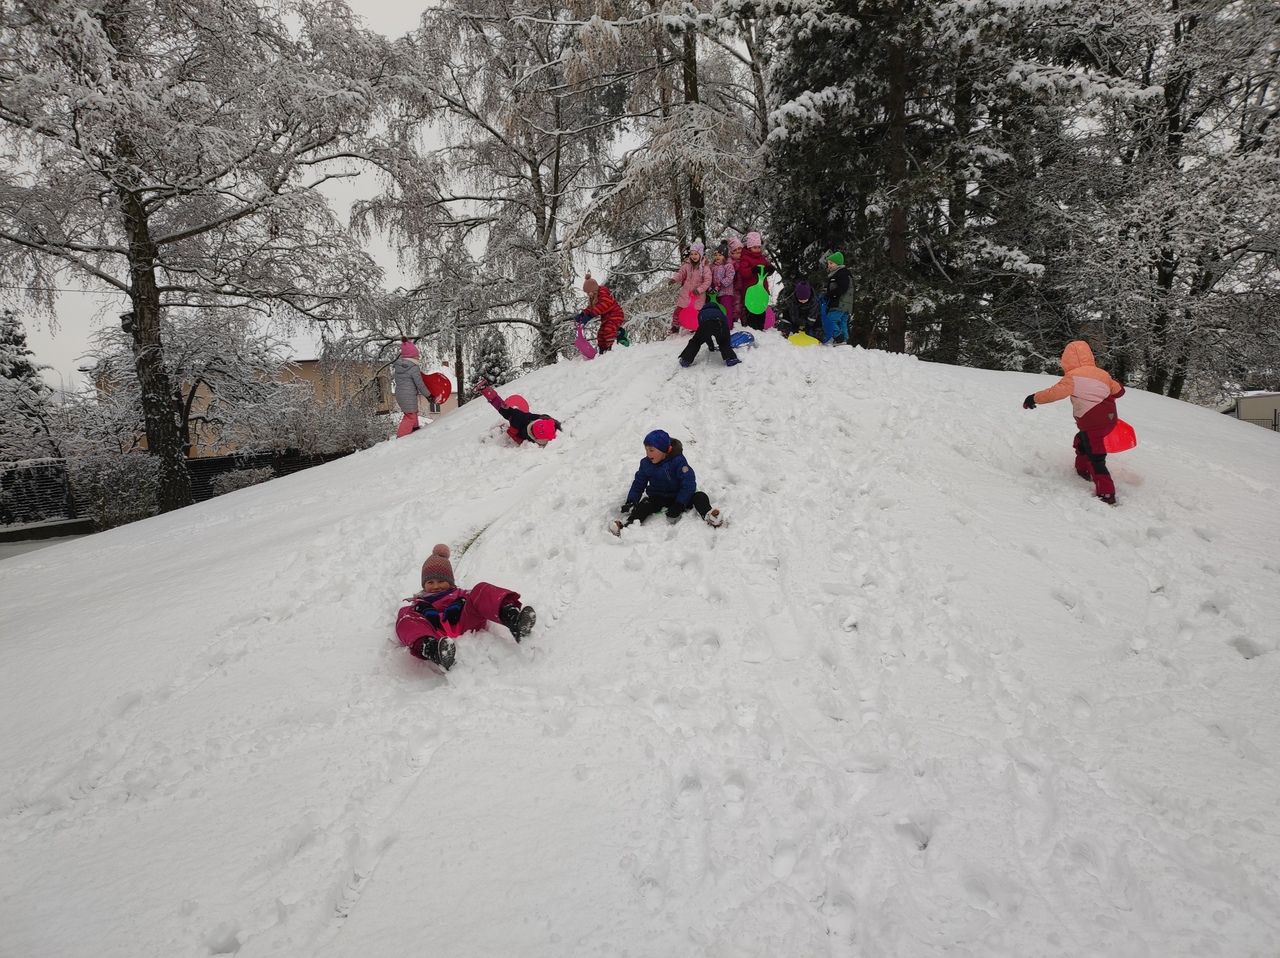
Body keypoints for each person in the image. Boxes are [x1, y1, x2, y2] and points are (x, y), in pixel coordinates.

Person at [395, 544, 537, 670]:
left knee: (481, 589)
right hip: (436, 633)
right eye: (430, 582)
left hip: (465, 624)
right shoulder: (418, 604)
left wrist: (461, 601)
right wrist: (422, 609)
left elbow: (476, 598)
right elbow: (409, 621)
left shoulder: (461, 594)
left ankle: (512, 618)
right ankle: (433, 650)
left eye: (441, 581)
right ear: (424, 585)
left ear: (450, 582)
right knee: (405, 617)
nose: (436, 586)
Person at [1023, 340, 1126, 505]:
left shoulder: (1073, 377)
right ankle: (1082, 469)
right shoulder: (1102, 374)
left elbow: (1053, 393)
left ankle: (1107, 492)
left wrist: (1033, 398)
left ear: (1067, 360)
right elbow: (1120, 392)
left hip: (1093, 423)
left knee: (1096, 457)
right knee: (1081, 440)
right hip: (1110, 420)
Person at [611, 429, 724, 534]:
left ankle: (710, 515)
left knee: (700, 496)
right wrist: (632, 500)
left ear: (663, 450)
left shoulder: (678, 462)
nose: (648, 454)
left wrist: (680, 503)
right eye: (646, 450)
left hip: (680, 495)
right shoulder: (646, 464)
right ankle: (627, 525)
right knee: (645, 505)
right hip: (658, 496)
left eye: (651, 450)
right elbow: (638, 483)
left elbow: (688, 483)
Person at [473, 379, 561, 445]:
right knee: (501, 407)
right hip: (515, 417)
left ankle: (485, 389)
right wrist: (513, 432)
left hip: (519, 419)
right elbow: (517, 432)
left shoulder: (538, 423)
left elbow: (545, 418)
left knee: (501, 407)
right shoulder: (524, 425)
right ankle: (485, 389)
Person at [678, 292, 741, 369]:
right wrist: (726, 340)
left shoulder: (702, 313)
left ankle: (686, 360)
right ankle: (730, 358)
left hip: (706, 324)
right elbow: (726, 327)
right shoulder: (720, 312)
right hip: (720, 324)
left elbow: (704, 333)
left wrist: (711, 346)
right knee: (723, 342)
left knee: (696, 342)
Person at [392, 340, 435, 437]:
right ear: (411, 356)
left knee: (412, 412)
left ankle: (415, 429)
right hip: (408, 395)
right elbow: (420, 384)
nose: (418, 357)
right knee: (410, 416)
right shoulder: (413, 368)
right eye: (416, 355)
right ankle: (401, 437)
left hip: (400, 394)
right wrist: (428, 395)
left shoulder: (399, 366)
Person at [574, 273, 626, 353]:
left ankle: (612, 349)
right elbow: (590, 308)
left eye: (589, 292)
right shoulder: (594, 298)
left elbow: (602, 306)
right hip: (606, 318)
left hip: (616, 314)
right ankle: (603, 351)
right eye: (587, 293)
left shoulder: (604, 294)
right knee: (601, 334)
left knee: (608, 330)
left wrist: (590, 316)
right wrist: (582, 314)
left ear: (594, 290)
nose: (589, 294)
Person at [670, 241, 712, 334]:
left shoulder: (705, 268)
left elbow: (707, 281)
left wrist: (699, 290)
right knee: (678, 311)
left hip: (697, 296)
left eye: (696, 254)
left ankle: (695, 326)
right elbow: (681, 273)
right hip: (686, 294)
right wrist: (674, 279)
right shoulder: (687, 266)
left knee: (696, 313)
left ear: (700, 254)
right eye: (692, 254)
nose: (693, 256)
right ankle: (675, 326)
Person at [734, 231, 773, 331]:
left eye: (759, 247)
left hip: (762, 290)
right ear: (749, 247)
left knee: (761, 310)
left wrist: (770, 269)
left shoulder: (762, 258)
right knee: (751, 311)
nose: (757, 249)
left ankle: (761, 328)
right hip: (751, 291)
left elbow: (767, 270)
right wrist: (752, 270)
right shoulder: (745, 258)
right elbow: (743, 272)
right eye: (755, 247)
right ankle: (753, 329)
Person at [822, 252, 853, 345]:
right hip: (846, 304)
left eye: (831, 263)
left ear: (838, 263)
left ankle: (839, 337)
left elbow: (843, 287)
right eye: (828, 263)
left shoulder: (841, 273)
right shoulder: (842, 273)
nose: (829, 265)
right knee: (842, 323)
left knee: (829, 320)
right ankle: (844, 340)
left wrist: (830, 294)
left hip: (840, 303)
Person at [710, 241, 738, 330]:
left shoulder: (728, 266)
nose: (717, 257)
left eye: (720, 255)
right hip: (715, 293)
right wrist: (710, 287)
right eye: (716, 255)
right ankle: (718, 325)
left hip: (726, 292)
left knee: (726, 309)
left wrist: (720, 285)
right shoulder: (712, 266)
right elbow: (709, 277)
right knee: (717, 309)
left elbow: (729, 278)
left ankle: (728, 326)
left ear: (725, 256)